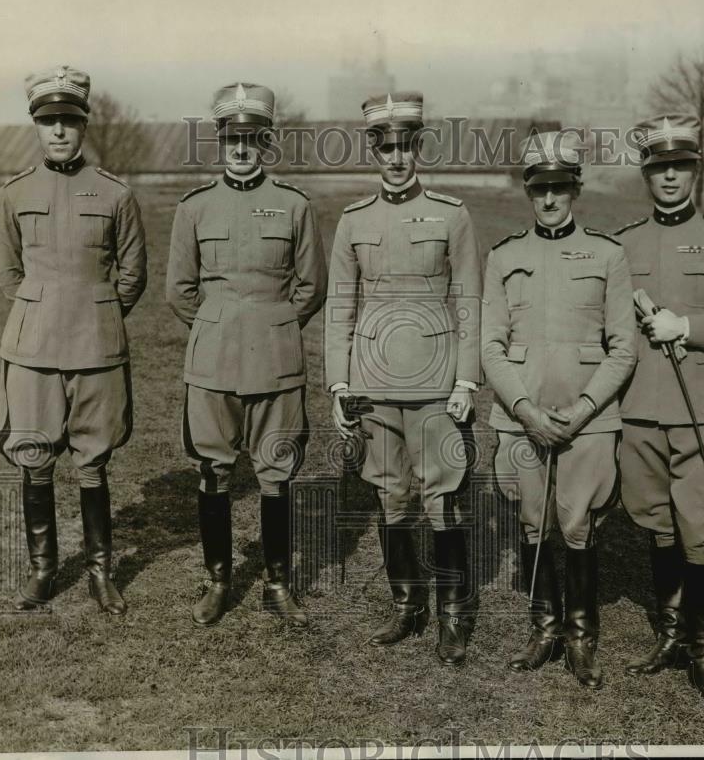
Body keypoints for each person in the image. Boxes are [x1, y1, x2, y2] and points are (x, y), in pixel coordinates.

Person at [325, 92, 482, 665]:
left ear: (420, 147)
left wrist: (466, 381)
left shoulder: (452, 214)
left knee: (443, 500)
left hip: (436, 382)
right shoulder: (353, 220)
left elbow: (470, 301)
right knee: (391, 497)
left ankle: (453, 616)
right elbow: (340, 308)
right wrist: (339, 386)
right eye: (385, 146)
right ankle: (407, 604)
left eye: (406, 145)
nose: (396, 157)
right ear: (372, 149)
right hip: (373, 384)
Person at [614, 113, 704, 708]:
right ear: (646, 175)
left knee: (699, 529)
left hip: (702, 406)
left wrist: (690, 326)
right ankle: (670, 636)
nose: (669, 177)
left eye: (679, 166)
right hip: (641, 408)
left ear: (695, 171)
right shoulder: (623, 244)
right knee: (655, 522)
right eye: (658, 168)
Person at [166, 82, 328, 627]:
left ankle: (278, 584)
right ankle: (218, 581)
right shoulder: (194, 208)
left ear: (267, 143)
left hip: (276, 358)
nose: (241, 149)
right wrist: (219, 326)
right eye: (232, 139)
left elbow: (311, 286)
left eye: (252, 139)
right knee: (213, 469)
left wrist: (271, 325)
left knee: (275, 472)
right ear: (219, 142)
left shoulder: (294, 205)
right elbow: (180, 289)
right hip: (212, 359)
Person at [482, 130, 636, 687]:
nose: (549, 200)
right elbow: (491, 346)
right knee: (532, 521)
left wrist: (587, 407)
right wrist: (524, 409)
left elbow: (624, 347)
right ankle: (542, 628)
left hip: (587, 419)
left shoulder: (607, 254)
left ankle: (580, 634)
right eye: (539, 188)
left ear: (576, 188)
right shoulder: (504, 256)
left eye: (560, 188)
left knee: (578, 525)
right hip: (523, 418)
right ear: (527, 190)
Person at [0, 65, 147, 615]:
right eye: (48, 120)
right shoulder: (14, 193)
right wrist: (46, 314)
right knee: (34, 455)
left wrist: (95, 312)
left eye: (69, 120)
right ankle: (43, 569)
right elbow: (9, 274)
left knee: (92, 459)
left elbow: (132, 274)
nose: (59, 130)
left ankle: (100, 571)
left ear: (84, 125)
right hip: (33, 348)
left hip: (95, 345)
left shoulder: (114, 194)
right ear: (36, 126)